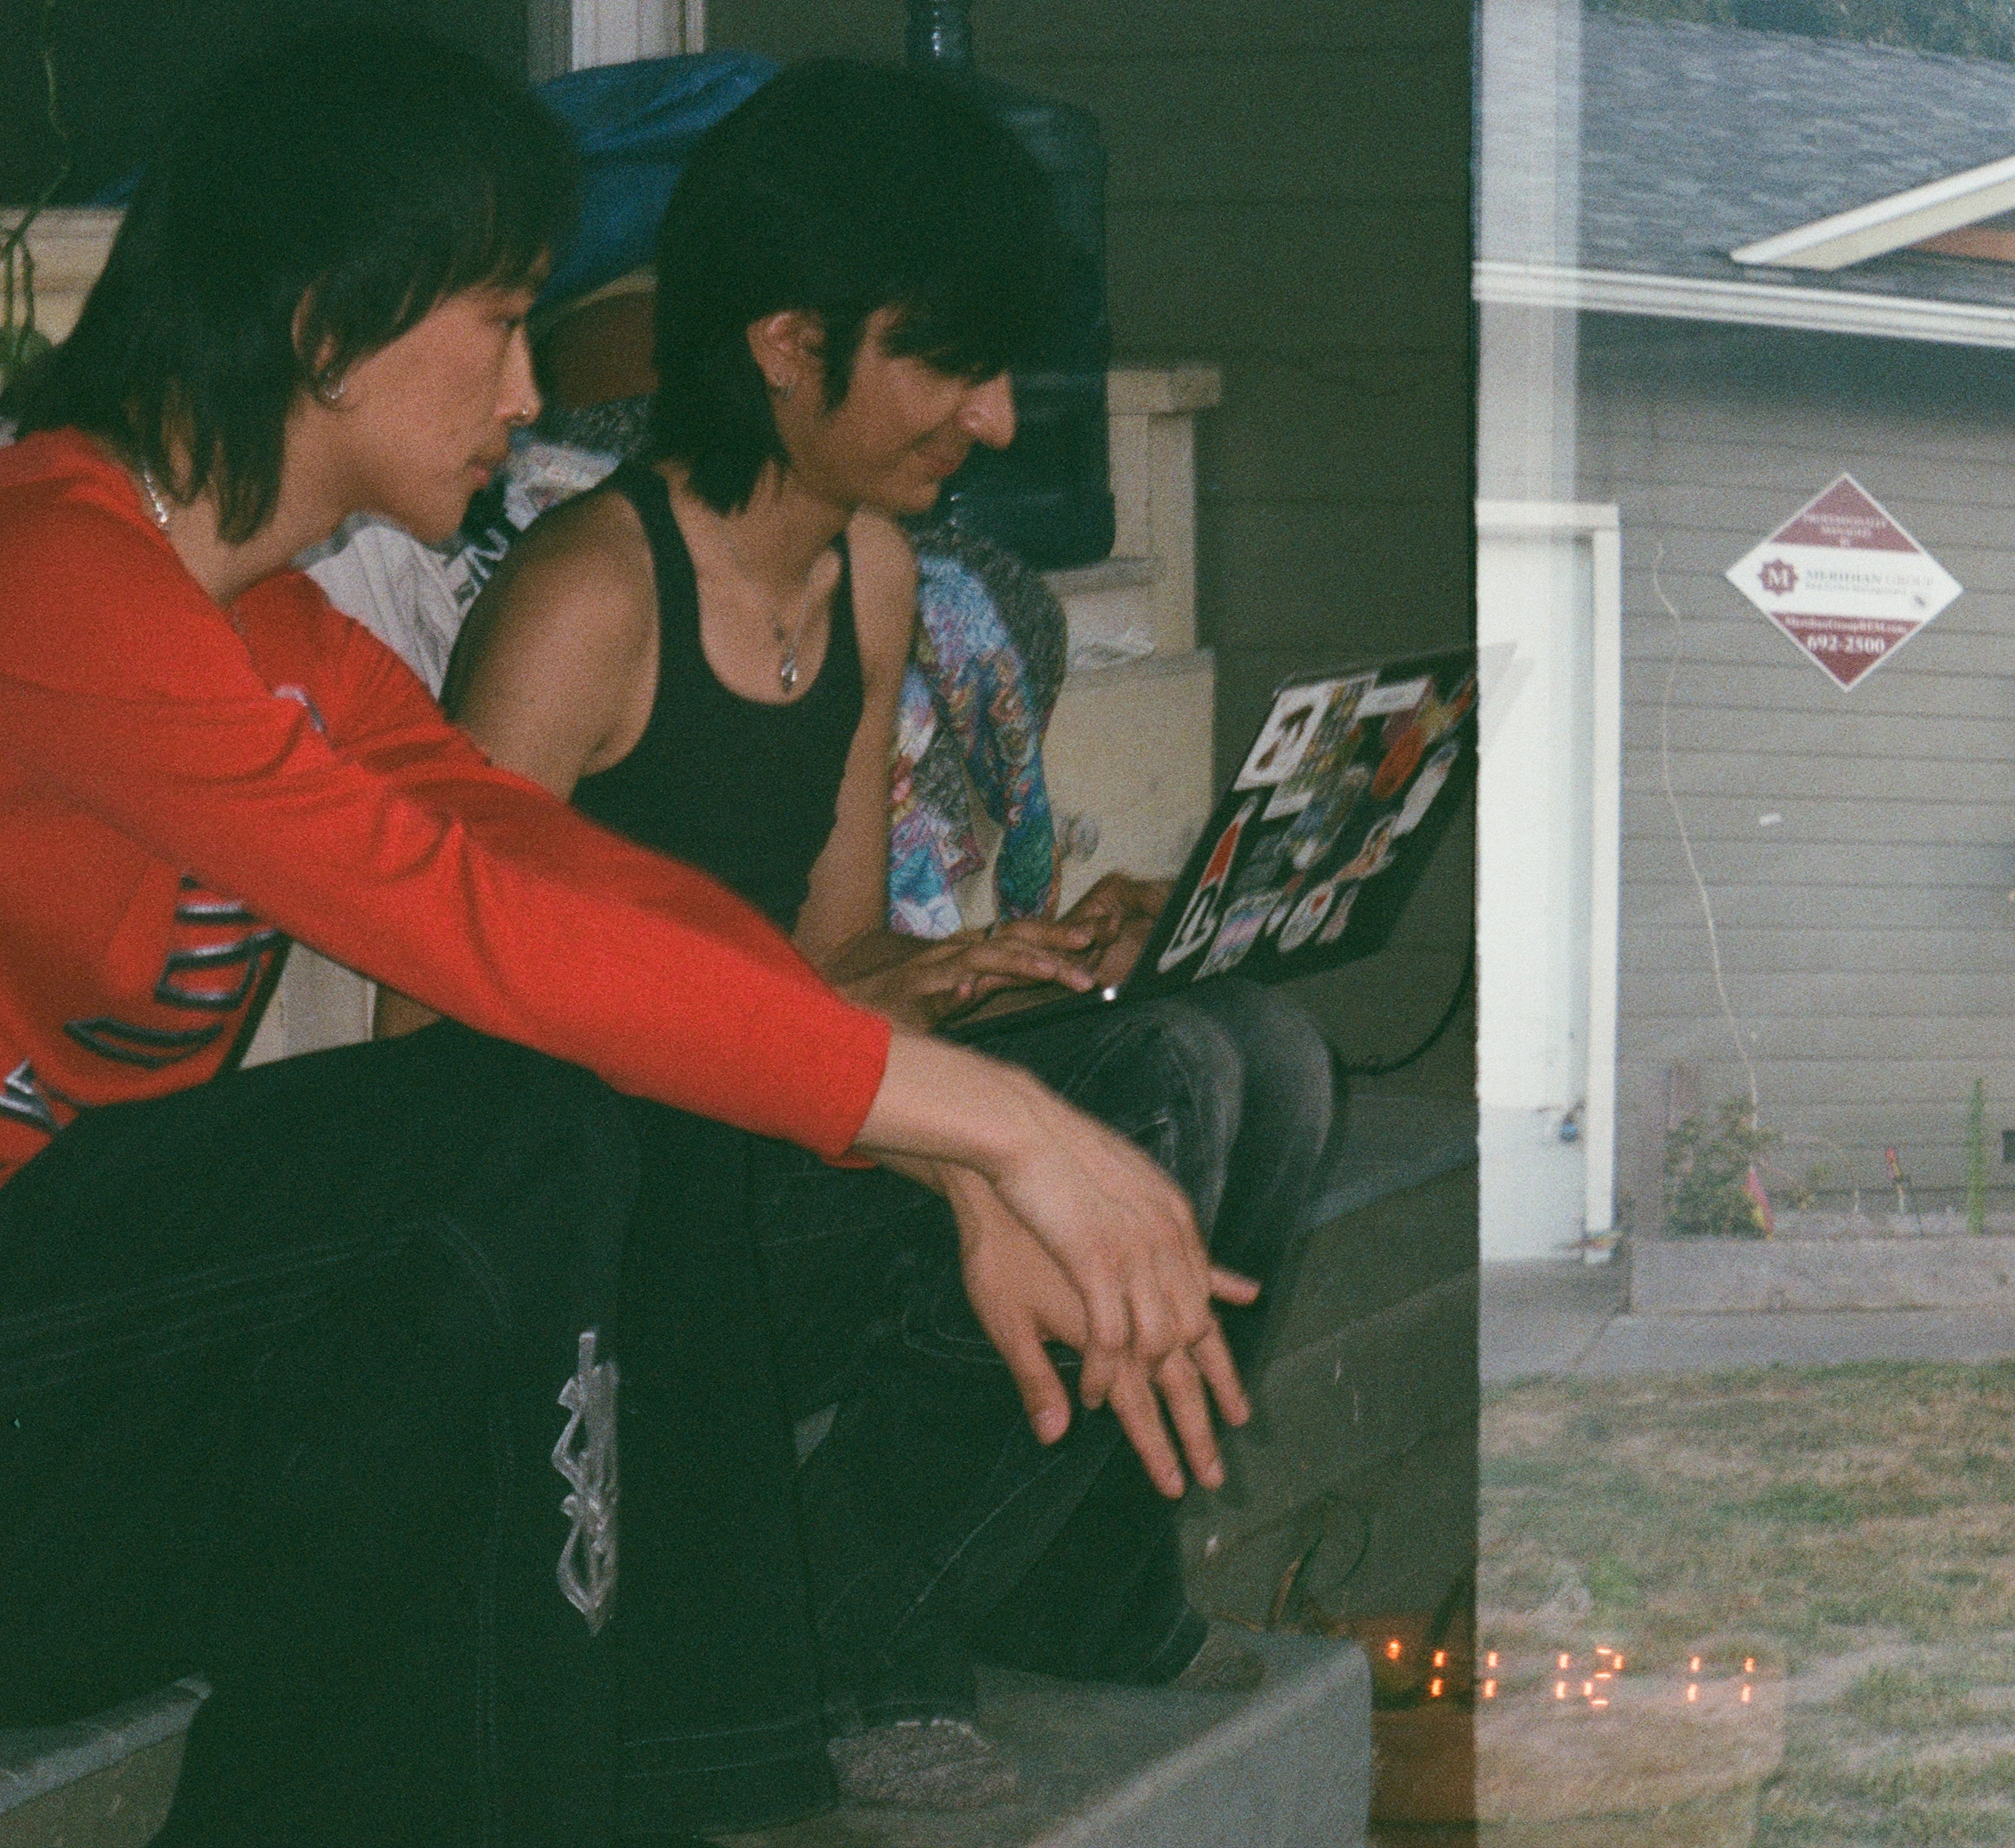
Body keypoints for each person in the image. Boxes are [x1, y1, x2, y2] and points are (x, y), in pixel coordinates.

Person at [0, 32, 1251, 1847]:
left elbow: (559, 880)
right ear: (328, 321)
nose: (531, 392)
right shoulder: (28, 567)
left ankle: (688, 1778)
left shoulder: (279, 639)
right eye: (498, 321)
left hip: (81, 1418)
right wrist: (1004, 1124)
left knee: (567, 1107)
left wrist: (939, 1156)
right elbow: (460, 927)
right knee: (497, 1122)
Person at [427, 60, 1338, 1816]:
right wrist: (939, 1111)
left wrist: (992, 968)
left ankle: (1079, 1578)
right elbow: (439, 1060)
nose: (991, 422)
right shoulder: (588, 601)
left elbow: (829, 964)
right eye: (949, 364)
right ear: (782, 343)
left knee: (1262, 1057)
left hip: (774, 1132)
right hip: (631, 1235)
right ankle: (857, 1633)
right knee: (1143, 1093)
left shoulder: (867, 572)